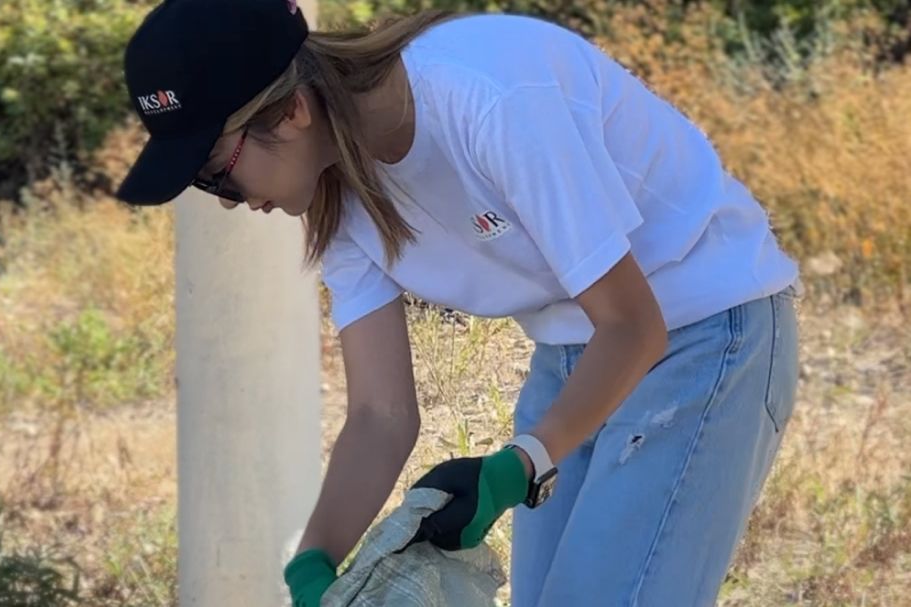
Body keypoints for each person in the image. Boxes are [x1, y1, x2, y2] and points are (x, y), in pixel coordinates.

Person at [114, 0, 802, 605]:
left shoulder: (488, 99)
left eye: (216, 174)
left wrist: (519, 464)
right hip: (573, 349)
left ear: (291, 110)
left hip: (702, 331)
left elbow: (633, 325)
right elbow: (380, 416)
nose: (227, 202)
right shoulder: (335, 193)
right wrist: (312, 562)